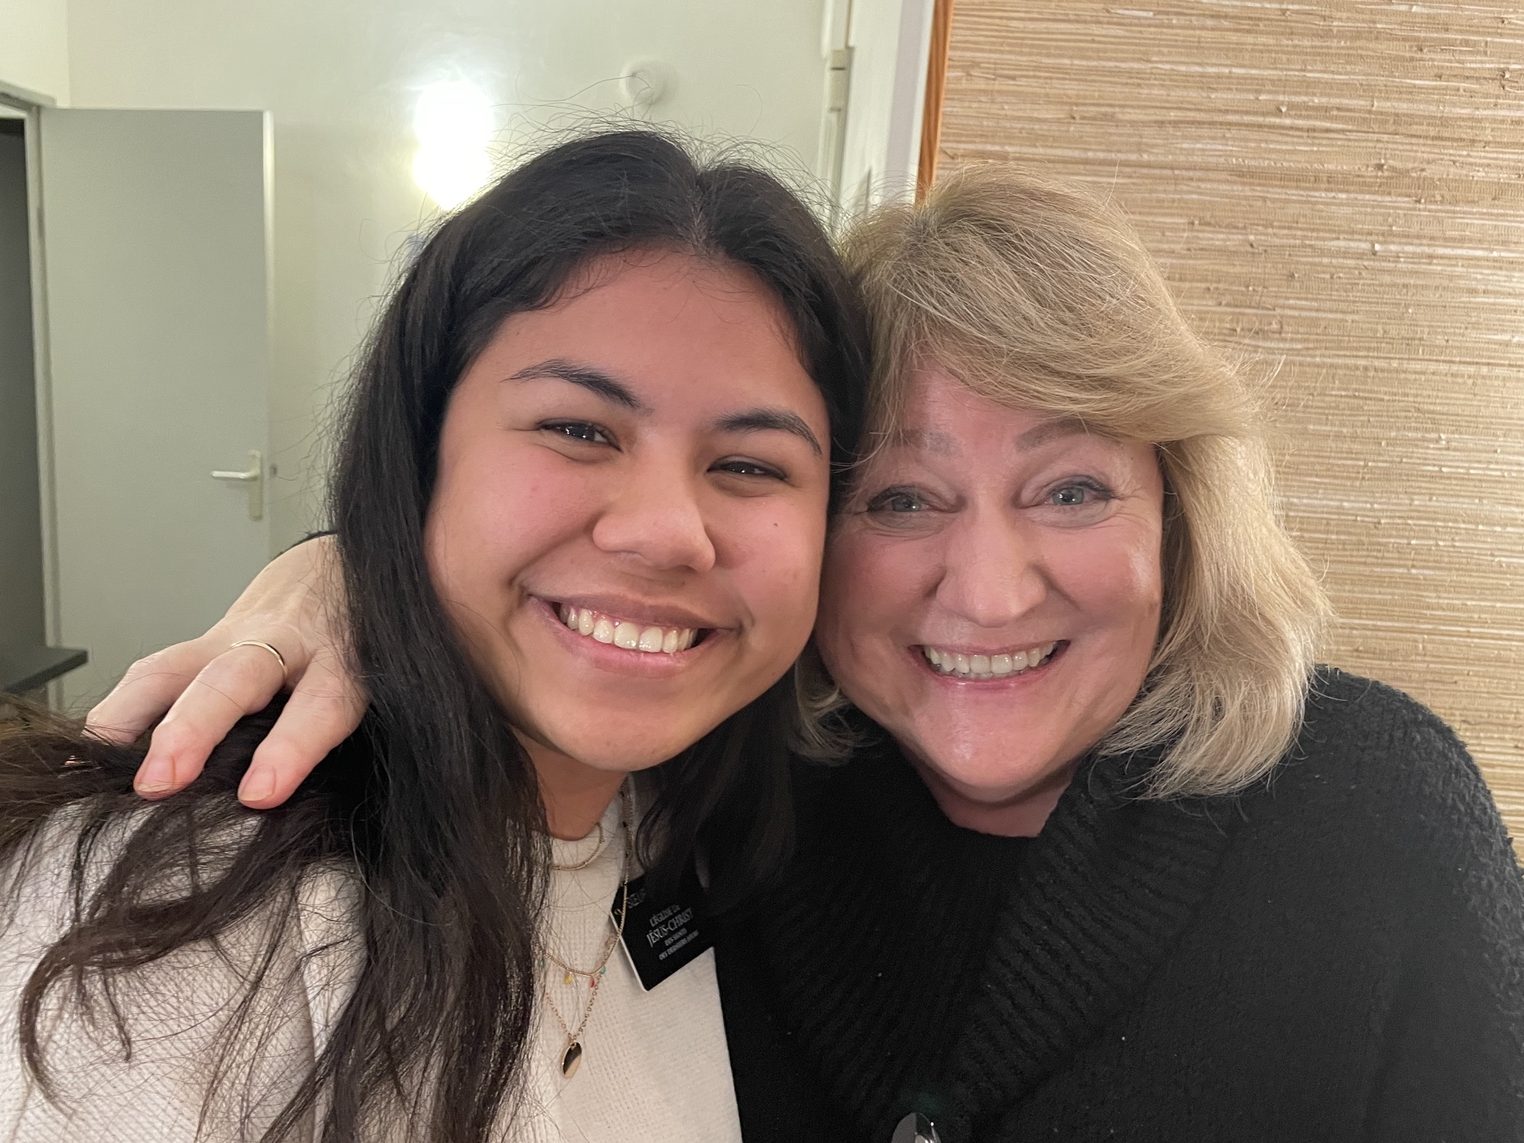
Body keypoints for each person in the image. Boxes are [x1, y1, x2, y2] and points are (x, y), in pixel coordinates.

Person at [91, 167, 1524, 1140]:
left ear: (1181, 515)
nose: (989, 590)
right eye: (900, 499)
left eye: (1073, 487)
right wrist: (351, 573)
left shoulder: (1375, 816)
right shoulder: (724, 788)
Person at [0, 128, 870, 1142]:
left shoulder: (730, 837)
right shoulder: (171, 929)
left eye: (752, 466)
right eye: (579, 430)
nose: (668, 532)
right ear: (421, 452)